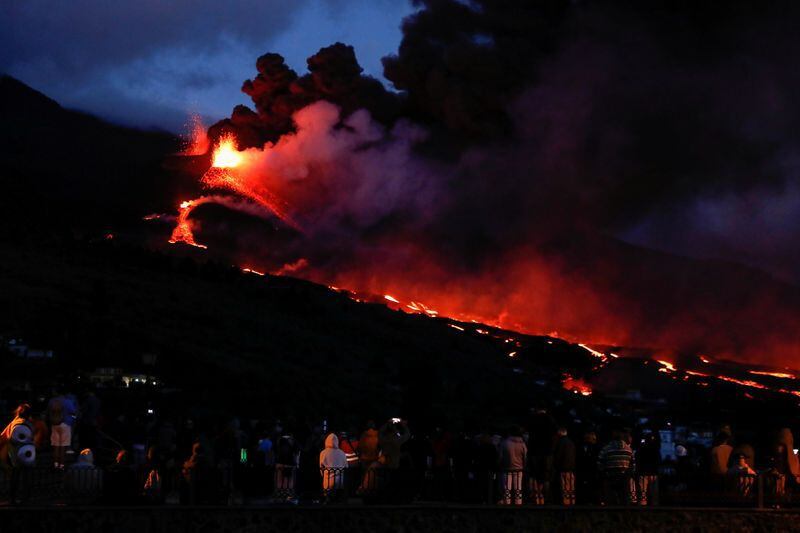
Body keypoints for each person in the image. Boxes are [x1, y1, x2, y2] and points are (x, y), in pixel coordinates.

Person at [598, 430, 635, 505]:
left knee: (610, 498)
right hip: (624, 477)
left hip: (610, 476)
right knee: (624, 497)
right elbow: (633, 465)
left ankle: (611, 514)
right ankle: (624, 514)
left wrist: (604, 473)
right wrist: (628, 474)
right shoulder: (629, 449)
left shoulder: (606, 449)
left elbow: (599, 463)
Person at [499, 426, 527, 505]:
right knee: (518, 488)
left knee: (507, 489)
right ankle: (518, 505)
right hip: (519, 469)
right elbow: (525, 457)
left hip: (506, 469)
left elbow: (500, 457)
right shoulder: (522, 444)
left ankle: (507, 505)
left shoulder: (504, 443)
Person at [319, 432, 348, 500]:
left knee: (327, 494)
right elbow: (346, 466)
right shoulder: (342, 453)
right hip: (340, 481)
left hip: (328, 480)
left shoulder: (323, 453)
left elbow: (321, 467)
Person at [636, 431, 661, 506]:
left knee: (643, 491)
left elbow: (638, 459)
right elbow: (658, 460)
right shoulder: (655, 449)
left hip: (644, 472)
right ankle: (654, 505)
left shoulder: (641, 448)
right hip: (653, 472)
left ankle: (643, 506)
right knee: (654, 492)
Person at [554, 427, 576, 506]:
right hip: (571, 469)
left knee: (564, 488)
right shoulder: (571, 442)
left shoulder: (560, 442)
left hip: (563, 468)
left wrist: (556, 466)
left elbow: (558, 456)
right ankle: (572, 503)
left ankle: (566, 504)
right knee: (571, 487)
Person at [576, 430, 600, 505]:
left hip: (592, 471)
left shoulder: (596, 448)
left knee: (592, 489)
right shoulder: (581, 446)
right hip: (585, 471)